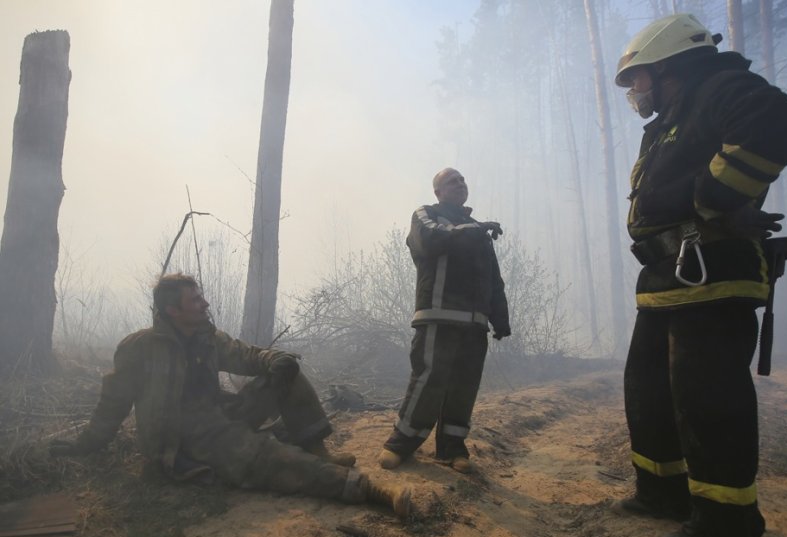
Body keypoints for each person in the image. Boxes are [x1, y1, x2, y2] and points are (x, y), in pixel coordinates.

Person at [613, 13, 787, 537]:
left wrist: (713, 197)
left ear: (671, 66)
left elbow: (777, 121)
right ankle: (662, 492)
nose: (636, 93)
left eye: (640, 79)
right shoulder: (675, 114)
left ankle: (724, 531)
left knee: (706, 398)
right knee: (649, 389)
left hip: (709, 271)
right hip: (668, 276)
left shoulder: (718, 84)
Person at [50, 273, 412, 518]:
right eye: (195, 301)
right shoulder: (139, 349)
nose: (205, 304)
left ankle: (320, 452)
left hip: (220, 415)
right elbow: (111, 405)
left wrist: (276, 358)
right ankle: (371, 491)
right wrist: (86, 444)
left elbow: (249, 355)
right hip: (185, 443)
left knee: (285, 372)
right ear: (172, 311)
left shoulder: (208, 337)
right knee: (271, 457)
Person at [378, 167, 510, 474]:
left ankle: (452, 449)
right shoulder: (427, 215)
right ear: (437, 191)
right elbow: (430, 241)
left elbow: (494, 279)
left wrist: (500, 319)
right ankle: (400, 445)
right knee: (429, 381)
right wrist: (474, 230)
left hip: (474, 324)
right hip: (438, 317)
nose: (460, 184)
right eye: (452, 181)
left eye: (463, 180)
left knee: (464, 387)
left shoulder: (477, 229)